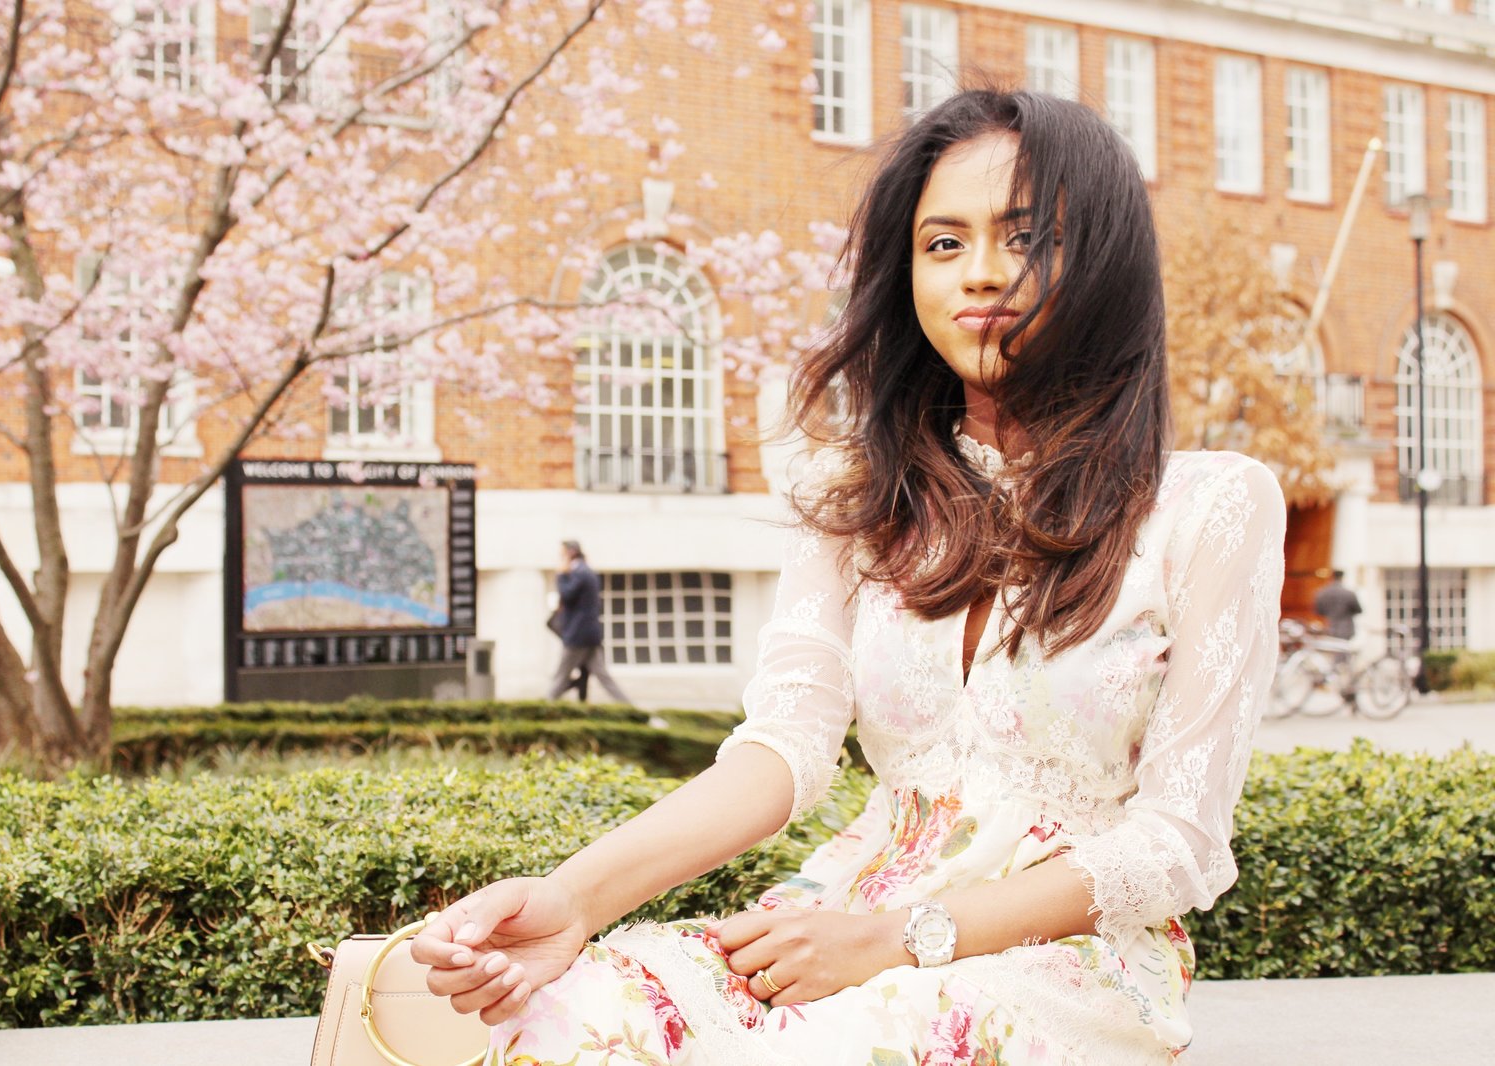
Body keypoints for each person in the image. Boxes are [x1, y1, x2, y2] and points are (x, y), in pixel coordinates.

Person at [411, 87, 1285, 1064]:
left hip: (1061, 965)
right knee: (559, 1018)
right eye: (943, 244)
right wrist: (572, 897)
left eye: (1025, 236)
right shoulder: (862, 501)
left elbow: (1179, 842)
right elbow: (781, 750)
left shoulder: (1212, 506)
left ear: (1106, 259)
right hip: (838, 918)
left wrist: (906, 941)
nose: (981, 274)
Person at [545, 540, 633, 706]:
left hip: (578, 635)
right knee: (603, 676)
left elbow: (566, 594)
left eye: (562, 554)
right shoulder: (585, 572)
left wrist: (561, 575)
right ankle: (629, 708)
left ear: (570, 553)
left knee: (560, 676)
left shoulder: (580, 572)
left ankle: (542, 711)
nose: (560, 558)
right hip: (588, 634)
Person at [1314, 569, 1363, 641]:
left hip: (1328, 626)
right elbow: (1358, 610)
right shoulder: (1349, 593)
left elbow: (1319, 611)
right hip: (1346, 628)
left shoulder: (1322, 592)